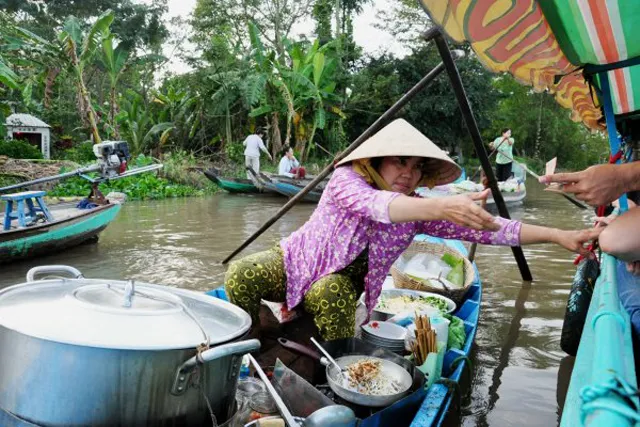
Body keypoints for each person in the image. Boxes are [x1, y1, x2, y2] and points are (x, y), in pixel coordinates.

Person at [225, 119, 600, 341]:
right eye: (399, 162)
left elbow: (493, 230)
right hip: (295, 260)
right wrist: (442, 204)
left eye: (417, 166)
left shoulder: (417, 207)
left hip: (339, 281)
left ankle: (336, 366)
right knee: (242, 273)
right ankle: (255, 340)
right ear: (376, 161)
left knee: (331, 292)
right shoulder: (346, 180)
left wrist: (557, 235)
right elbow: (379, 207)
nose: (409, 173)